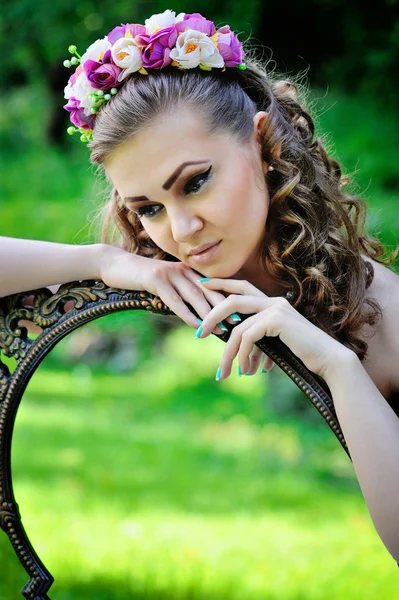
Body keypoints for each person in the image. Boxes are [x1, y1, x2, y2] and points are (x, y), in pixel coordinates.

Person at [2, 9, 399, 564]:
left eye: (196, 182)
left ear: (263, 144)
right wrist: (102, 261)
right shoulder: (160, 264)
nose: (181, 231)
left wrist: (338, 368)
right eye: (148, 209)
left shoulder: (386, 313)